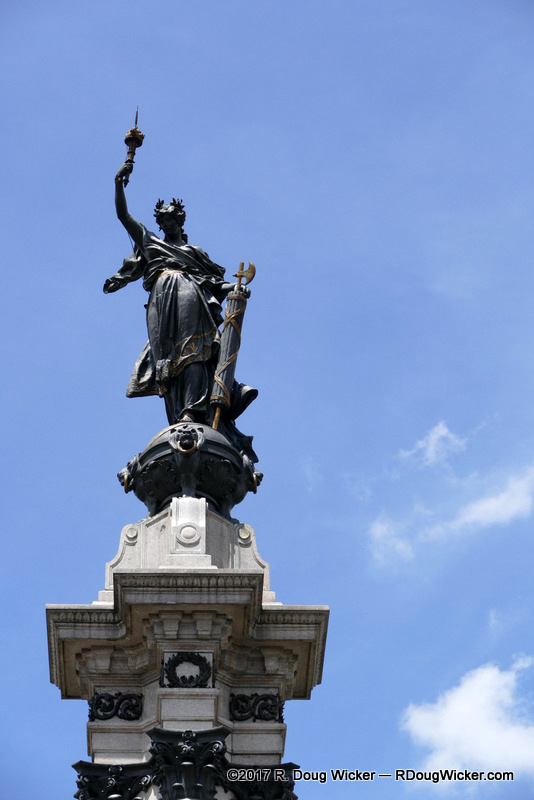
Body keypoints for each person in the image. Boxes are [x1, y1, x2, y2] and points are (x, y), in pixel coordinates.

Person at [104, 161, 256, 428]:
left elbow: (211, 283)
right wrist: (118, 183)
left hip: (189, 294)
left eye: (171, 220)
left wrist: (235, 288)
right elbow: (123, 216)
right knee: (166, 361)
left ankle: (191, 410)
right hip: (160, 299)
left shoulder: (193, 253)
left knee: (194, 350)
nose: (166, 224)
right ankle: (177, 413)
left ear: (180, 220)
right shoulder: (150, 242)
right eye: (162, 221)